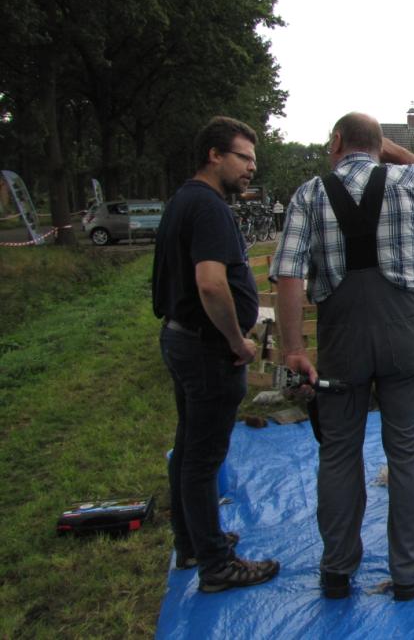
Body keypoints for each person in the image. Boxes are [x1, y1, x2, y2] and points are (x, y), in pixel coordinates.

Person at [271, 112, 414, 602]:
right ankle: (407, 572)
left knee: (337, 454)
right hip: (403, 337)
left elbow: (289, 275)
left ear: (336, 141)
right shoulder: (408, 178)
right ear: (380, 146)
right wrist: (400, 154)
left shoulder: (309, 193)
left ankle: (336, 572)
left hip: (340, 341)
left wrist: (293, 348)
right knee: (406, 454)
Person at [152, 116, 280, 593]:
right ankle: (216, 565)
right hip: (208, 349)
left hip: (180, 338)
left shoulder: (183, 199)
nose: (250, 168)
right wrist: (235, 340)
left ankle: (191, 541)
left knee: (188, 448)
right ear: (214, 155)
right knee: (204, 459)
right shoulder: (208, 208)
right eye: (243, 157)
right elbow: (210, 283)